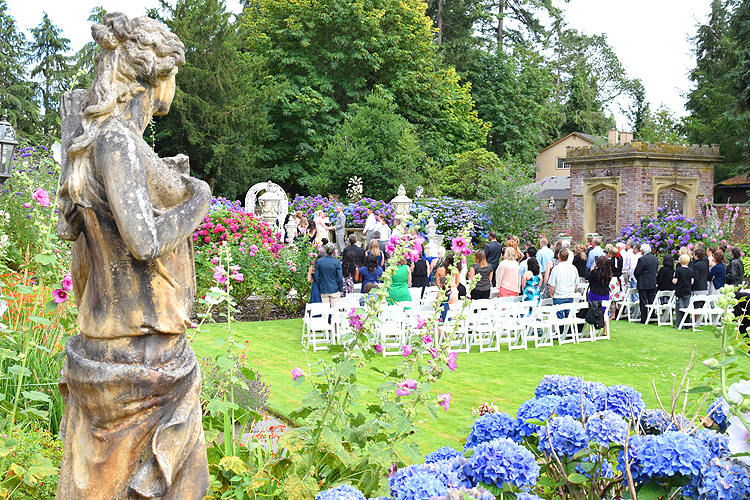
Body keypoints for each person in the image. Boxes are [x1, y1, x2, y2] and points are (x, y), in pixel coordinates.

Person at [55, 13, 210, 497]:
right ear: (155, 77)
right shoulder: (117, 139)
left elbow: (71, 225)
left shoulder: (103, 139)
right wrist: (199, 200)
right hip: (141, 360)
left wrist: (164, 175)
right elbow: (144, 241)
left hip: (115, 350)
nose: (174, 87)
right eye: (174, 75)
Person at [548, 248, 578, 318]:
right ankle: (568, 325)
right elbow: (576, 283)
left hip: (558, 296)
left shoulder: (556, 269)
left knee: (559, 318)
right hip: (569, 295)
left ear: (559, 256)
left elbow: (552, 284)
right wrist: (572, 290)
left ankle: (562, 325)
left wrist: (551, 294)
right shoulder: (573, 268)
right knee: (569, 317)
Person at [633, 243, 658, 324]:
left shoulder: (642, 259)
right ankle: (652, 316)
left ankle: (644, 318)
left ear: (643, 251)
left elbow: (637, 271)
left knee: (643, 301)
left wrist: (639, 279)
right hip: (652, 282)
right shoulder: (655, 258)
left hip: (643, 283)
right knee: (651, 300)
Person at [673, 254, 695, 329]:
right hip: (687, 290)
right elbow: (692, 281)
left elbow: (675, 281)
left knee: (679, 307)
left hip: (680, 290)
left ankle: (680, 324)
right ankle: (687, 323)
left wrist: (673, 278)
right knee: (686, 307)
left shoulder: (678, 270)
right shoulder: (691, 270)